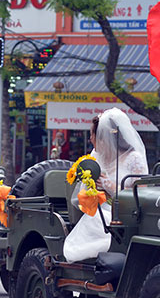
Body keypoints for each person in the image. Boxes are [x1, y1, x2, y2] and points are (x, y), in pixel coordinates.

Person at [63, 108, 148, 263]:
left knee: (100, 220)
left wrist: (109, 186)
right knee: (95, 217)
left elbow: (141, 192)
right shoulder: (96, 157)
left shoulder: (134, 158)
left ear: (103, 137)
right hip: (101, 208)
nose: (90, 139)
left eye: (92, 135)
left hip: (126, 211)